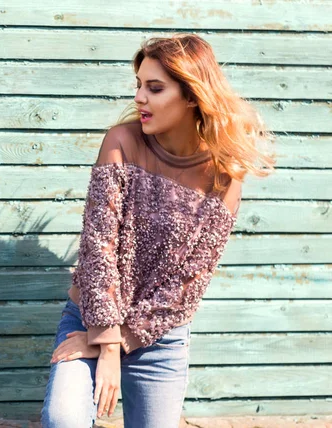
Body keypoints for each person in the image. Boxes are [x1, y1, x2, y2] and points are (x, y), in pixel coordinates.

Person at [40, 33, 275, 428]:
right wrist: (106, 342)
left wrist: (121, 342)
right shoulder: (121, 143)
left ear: (191, 96)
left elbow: (189, 282)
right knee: (65, 419)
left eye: (155, 88)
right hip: (90, 320)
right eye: (138, 86)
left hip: (159, 339)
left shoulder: (224, 176)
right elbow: (99, 248)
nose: (139, 98)